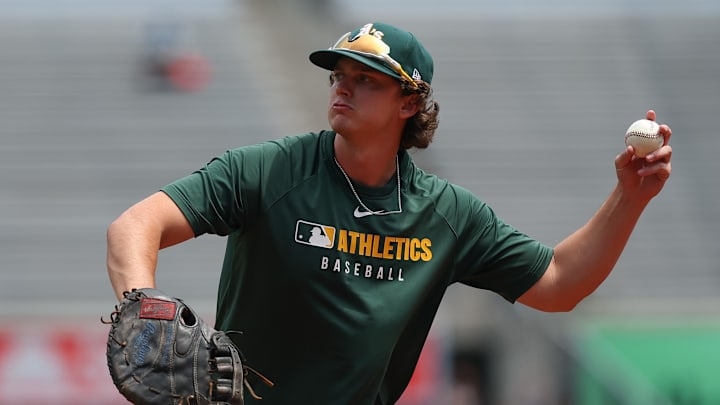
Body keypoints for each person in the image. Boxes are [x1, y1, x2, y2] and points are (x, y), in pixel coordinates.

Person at [106, 22, 673, 404]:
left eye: (366, 80)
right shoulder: (269, 171)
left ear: (409, 102)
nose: (342, 89)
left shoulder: (447, 215)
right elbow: (135, 226)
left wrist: (630, 197)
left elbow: (558, 284)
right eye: (339, 75)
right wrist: (142, 307)